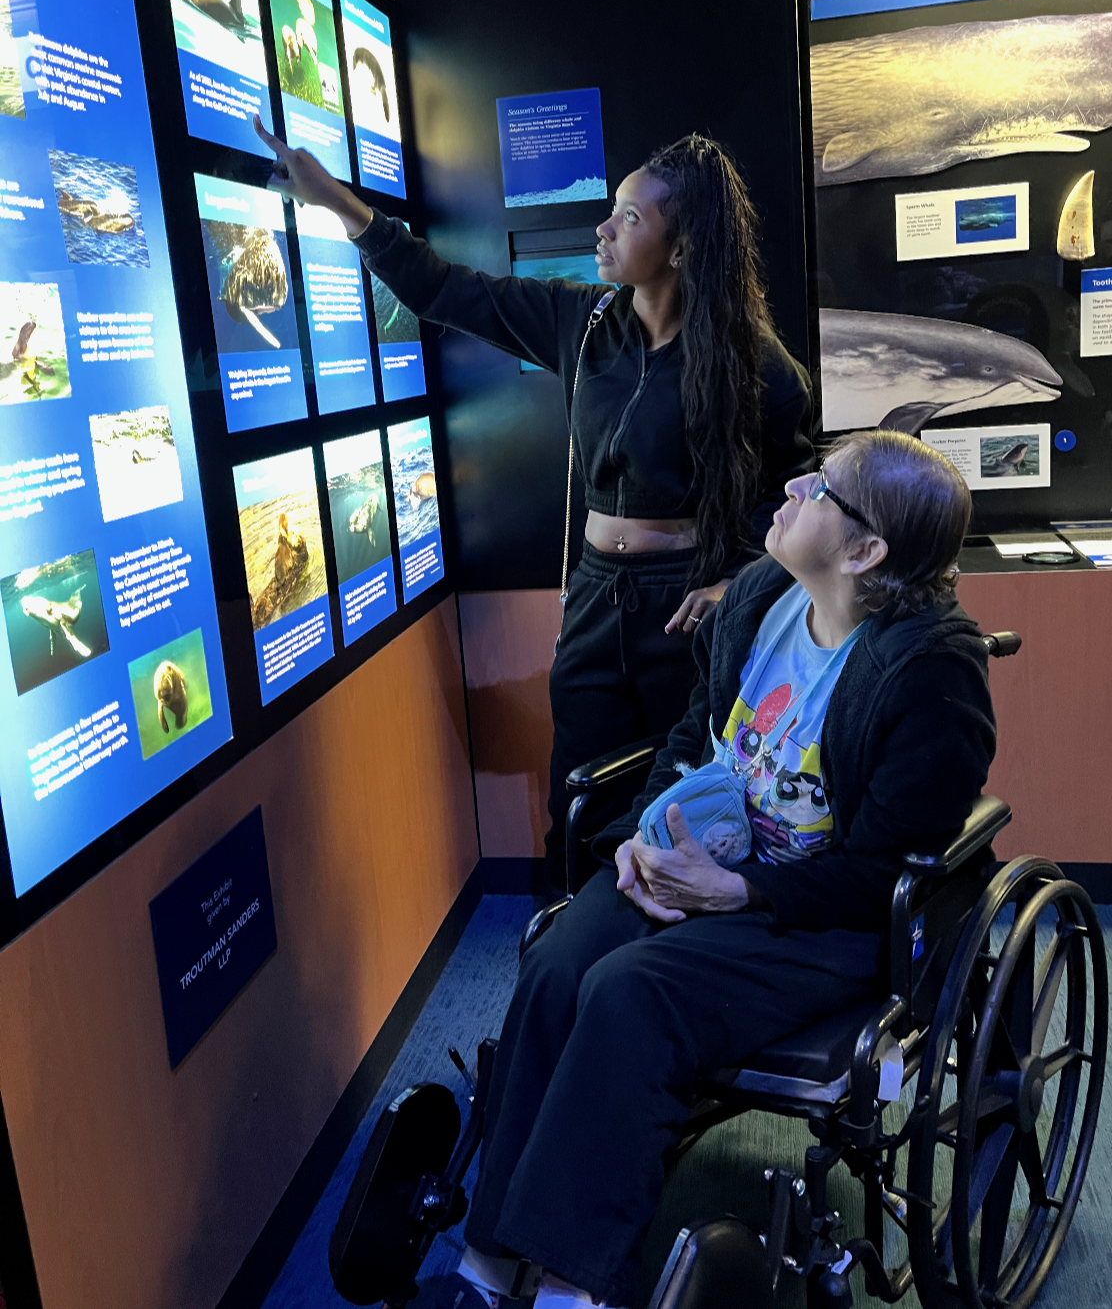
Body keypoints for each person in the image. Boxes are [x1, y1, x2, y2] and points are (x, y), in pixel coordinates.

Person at [415, 429, 997, 1309]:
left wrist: (743, 889)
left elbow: (882, 871)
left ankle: (574, 1288)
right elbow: (694, 738)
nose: (793, 488)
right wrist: (643, 839)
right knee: (558, 963)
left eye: (820, 490)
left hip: (817, 919)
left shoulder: (929, 674)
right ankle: (489, 1267)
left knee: (628, 993)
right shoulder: (764, 595)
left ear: (866, 550)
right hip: (707, 865)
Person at [253, 117, 813, 889]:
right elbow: (445, 289)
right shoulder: (581, 325)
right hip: (592, 602)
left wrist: (738, 584)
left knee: (682, 796)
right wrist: (338, 203)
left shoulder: (758, 364)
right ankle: (564, 956)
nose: (603, 227)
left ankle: (653, 969)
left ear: (680, 250)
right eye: (612, 210)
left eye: (629, 218)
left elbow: (795, 493)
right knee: (577, 791)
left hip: (688, 608)